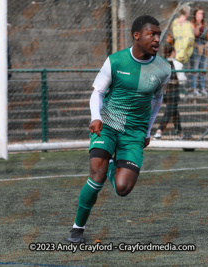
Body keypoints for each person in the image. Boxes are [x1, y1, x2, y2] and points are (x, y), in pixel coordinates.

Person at [67, 15, 171, 243]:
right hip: (106, 125)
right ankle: (77, 229)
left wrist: (147, 131)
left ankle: (113, 163)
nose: (156, 38)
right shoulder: (115, 61)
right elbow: (98, 93)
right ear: (136, 35)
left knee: (122, 188)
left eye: (158, 34)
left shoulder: (163, 68)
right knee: (97, 176)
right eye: (151, 34)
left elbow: (156, 101)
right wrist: (95, 118)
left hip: (134, 133)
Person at [153, 44, 183, 140]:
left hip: (165, 91)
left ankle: (180, 133)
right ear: (173, 52)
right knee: (170, 110)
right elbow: (182, 79)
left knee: (174, 111)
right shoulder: (178, 64)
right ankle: (159, 131)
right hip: (174, 91)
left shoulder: (161, 64)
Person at [190, 6, 208, 96]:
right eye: (199, 13)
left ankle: (202, 88)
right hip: (195, 46)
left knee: (203, 68)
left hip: (203, 46)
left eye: (202, 14)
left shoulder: (205, 24)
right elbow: (195, 35)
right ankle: (194, 88)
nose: (201, 15)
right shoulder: (192, 23)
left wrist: (204, 46)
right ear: (195, 14)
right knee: (195, 68)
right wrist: (197, 24)